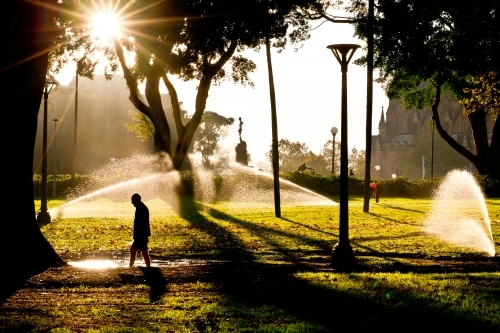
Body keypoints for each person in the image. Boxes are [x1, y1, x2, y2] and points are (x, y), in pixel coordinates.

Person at [129, 193, 151, 267]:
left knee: (133, 251)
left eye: (133, 200)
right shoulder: (142, 207)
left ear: (137, 200)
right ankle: (148, 267)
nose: (132, 202)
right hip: (142, 235)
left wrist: (144, 236)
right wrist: (146, 235)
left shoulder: (140, 208)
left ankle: (130, 267)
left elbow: (143, 222)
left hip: (140, 235)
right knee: (144, 252)